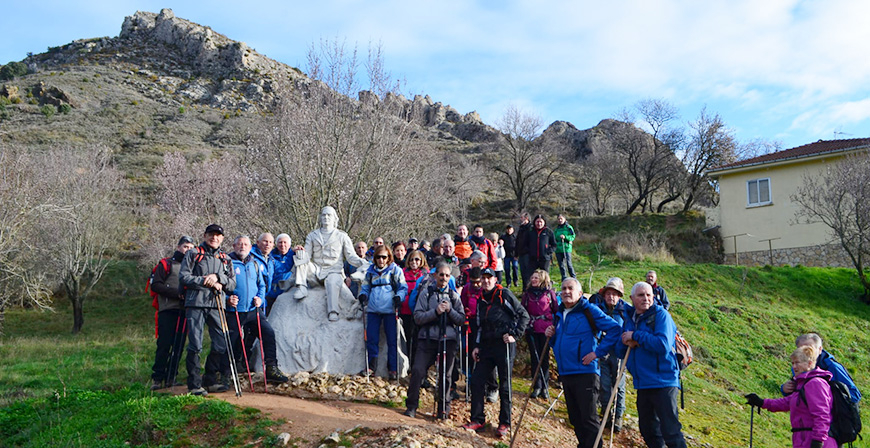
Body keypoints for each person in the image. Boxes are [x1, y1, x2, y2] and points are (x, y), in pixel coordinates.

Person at [544, 277, 621, 448]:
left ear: (580, 293)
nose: (566, 292)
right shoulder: (559, 314)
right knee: (575, 418)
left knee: (589, 418)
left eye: (570, 288)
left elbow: (615, 329)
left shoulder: (589, 310)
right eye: (563, 289)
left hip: (586, 371)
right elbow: (559, 342)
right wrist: (551, 336)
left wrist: (597, 353)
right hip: (566, 372)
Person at [618, 282, 687, 448]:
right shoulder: (629, 319)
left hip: (664, 380)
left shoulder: (661, 315)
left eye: (649, 295)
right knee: (648, 430)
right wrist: (627, 341)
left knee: (670, 431)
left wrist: (637, 336)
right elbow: (621, 351)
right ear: (632, 298)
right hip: (643, 382)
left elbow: (663, 345)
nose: (646, 298)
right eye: (641, 295)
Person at [463, 268, 530, 439]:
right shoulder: (480, 301)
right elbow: (478, 325)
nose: (486, 281)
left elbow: (523, 315)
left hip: (504, 344)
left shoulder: (504, 295)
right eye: (483, 278)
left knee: (505, 385)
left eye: (489, 278)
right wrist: (476, 346)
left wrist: (515, 335)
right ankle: (478, 419)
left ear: (495, 279)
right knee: (477, 380)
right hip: (486, 345)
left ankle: (505, 422)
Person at [180, 224, 237, 396]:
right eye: (211, 235)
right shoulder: (193, 254)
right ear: (205, 236)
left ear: (222, 238)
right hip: (195, 303)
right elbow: (184, 277)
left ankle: (210, 380)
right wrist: (205, 280)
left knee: (221, 343)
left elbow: (233, 283)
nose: (215, 238)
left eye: (218, 235)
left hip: (217, 304)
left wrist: (219, 279)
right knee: (196, 344)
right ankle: (194, 385)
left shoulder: (225, 258)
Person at [404, 263, 466, 418]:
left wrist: (450, 311)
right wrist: (436, 312)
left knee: (446, 375)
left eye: (447, 275)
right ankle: (411, 406)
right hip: (427, 339)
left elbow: (461, 319)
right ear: (435, 275)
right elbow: (417, 317)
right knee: (418, 370)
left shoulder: (454, 296)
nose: (444, 278)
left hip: (448, 340)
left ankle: (443, 410)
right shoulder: (426, 293)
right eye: (441, 275)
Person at [226, 235, 289, 384]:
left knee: (268, 333)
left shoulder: (253, 263)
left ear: (250, 247)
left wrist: (260, 298)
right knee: (233, 339)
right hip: (234, 310)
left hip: (253, 309)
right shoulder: (227, 263)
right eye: (239, 244)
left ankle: (271, 368)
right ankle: (227, 370)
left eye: (245, 245)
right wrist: (227, 299)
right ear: (234, 246)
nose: (243, 247)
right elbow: (221, 285)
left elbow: (262, 285)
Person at [746, 345, 836, 448]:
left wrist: (818, 441)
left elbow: (822, 415)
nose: (794, 367)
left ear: (809, 363)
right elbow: (786, 402)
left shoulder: (815, 383)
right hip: (804, 440)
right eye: (793, 363)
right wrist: (762, 402)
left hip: (816, 441)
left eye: (797, 363)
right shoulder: (803, 384)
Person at [290, 206, 369, 322]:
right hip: (316, 271)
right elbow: (307, 255)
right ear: (320, 218)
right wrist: (300, 253)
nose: (326, 217)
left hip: (334, 271)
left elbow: (351, 257)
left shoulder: (342, 236)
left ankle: (333, 311)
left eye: (329, 215)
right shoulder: (312, 235)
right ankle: (302, 287)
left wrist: (362, 262)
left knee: (332, 282)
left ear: (334, 218)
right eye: (324, 215)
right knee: (301, 258)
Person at [149, 235, 195, 390]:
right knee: (164, 344)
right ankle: (157, 378)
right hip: (168, 310)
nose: (188, 250)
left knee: (179, 345)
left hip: (186, 311)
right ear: (178, 247)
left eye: (191, 247)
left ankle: (171, 377)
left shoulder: (193, 266)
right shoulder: (166, 264)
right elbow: (155, 285)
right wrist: (177, 293)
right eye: (185, 247)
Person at [358, 245, 408, 379]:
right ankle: (371, 367)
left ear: (388, 258)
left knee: (392, 340)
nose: (381, 260)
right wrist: (363, 295)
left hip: (390, 310)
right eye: (378, 257)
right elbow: (365, 287)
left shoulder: (395, 270)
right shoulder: (370, 272)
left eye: (384, 257)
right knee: (371, 338)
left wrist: (399, 297)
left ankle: (393, 369)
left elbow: (403, 287)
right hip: (373, 309)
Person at [781, 333, 861, 403]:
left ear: (820, 349)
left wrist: (825, 396)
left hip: (832, 417)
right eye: (801, 349)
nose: (805, 353)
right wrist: (785, 389)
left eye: (810, 348)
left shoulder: (832, 367)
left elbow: (855, 395)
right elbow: (798, 392)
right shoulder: (798, 366)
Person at [594, 277, 628, 432]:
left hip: (620, 353)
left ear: (620, 295)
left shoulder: (626, 310)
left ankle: (618, 416)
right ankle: (606, 414)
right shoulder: (598, 308)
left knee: (619, 386)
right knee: (604, 384)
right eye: (608, 293)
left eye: (614, 294)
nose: (611, 296)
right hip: (603, 351)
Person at [522, 269, 558, 400]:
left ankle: (545, 386)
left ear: (543, 279)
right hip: (531, 329)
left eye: (536, 278)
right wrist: (526, 325)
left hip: (545, 329)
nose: (533, 280)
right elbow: (523, 311)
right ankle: (536, 385)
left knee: (544, 358)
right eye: (532, 277)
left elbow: (556, 310)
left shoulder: (549, 293)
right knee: (534, 357)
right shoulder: (527, 294)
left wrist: (554, 326)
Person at [400, 250, 430, 371]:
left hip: (420, 311)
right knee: (406, 337)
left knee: (418, 339)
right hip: (405, 310)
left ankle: (416, 365)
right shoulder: (403, 273)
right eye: (412, 259)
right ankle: (406, 364)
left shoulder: (426, 274)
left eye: (417, 259)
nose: (414, 262)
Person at [265, 233, 294, 316]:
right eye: (280, 242)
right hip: (272, 294)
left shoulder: (294, 255)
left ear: (289, 244)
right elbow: (277, 270)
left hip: (288, 292)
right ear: (276, 244)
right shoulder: (270, 256)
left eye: (285, 242)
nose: (283, 245)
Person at [554, 214, 577, 280]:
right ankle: (564, 278)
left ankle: (573, 278)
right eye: (558, 219)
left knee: (568, 264)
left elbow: (573, 236)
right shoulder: (556, 229)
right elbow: (554, 238)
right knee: (561, 265)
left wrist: (565, 237)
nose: (560, 220)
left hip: (566, 248)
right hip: (558, 249)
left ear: (565, 219)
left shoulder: (568, 227)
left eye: (561, 219)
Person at [516, 213, 532, 289]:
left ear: (526, 218)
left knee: (527, 273)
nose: (520, 219)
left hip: (527, 253)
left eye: (522, 218)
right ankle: (524, 289)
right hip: (521, 253)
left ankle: (528, 289)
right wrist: (516, 253)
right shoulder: (521, 229)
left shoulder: (531, 228)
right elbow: (517, 241)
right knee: (522, 273)